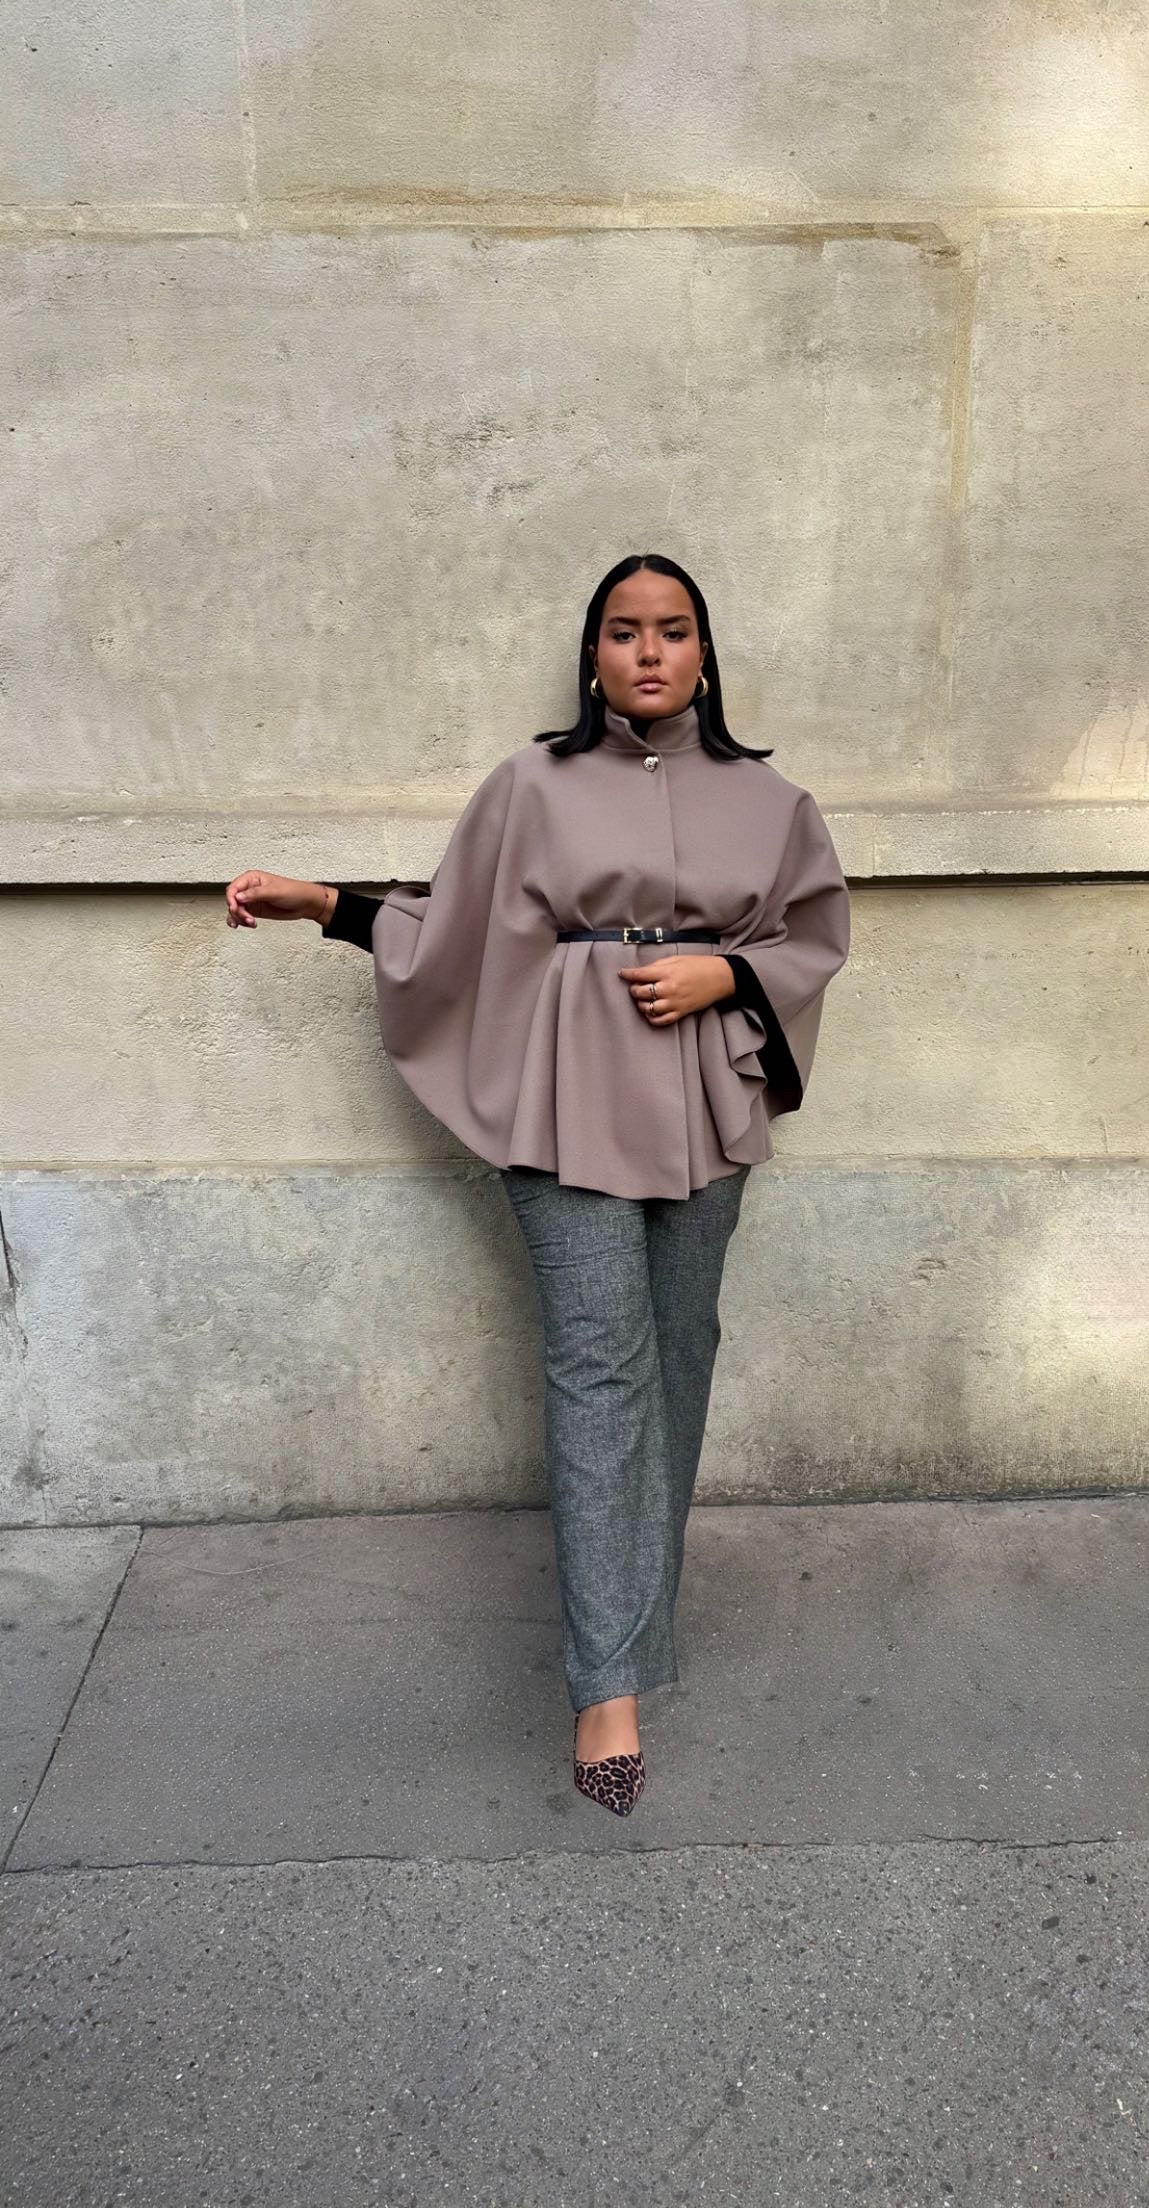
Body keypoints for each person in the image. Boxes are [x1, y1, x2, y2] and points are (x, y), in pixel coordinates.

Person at [224, 553, 851, 1816]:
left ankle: (631, 1622)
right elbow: (451, 932)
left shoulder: (771, 800)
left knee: (680, 1349)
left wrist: (728, 974)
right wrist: (323, 904)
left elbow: (812, 936)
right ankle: (607, 1686)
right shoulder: (531, 785)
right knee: (599, 1365)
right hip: (564, 1104)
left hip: (705, 1102)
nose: (649, 652)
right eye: (624, 631)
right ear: (593, 654)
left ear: (706, 653)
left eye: (673, 630)